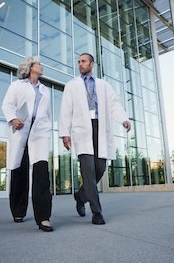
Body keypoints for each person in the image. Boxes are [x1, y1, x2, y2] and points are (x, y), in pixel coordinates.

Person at [59, 53, 131, 225]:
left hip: (100, 127)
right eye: (78, 62)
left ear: (92, 64)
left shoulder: (103, 85)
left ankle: (81, 195)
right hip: (82, 130)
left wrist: (123, 119)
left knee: (100, 168)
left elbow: (114, 104)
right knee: (88, 171)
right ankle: (97, 212)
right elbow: (65, 110)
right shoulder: (71, 85)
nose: (80, 64)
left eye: (83, 61)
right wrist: (65, 133)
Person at [2, 56, 53, 232]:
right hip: (22, 129)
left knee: (41, 174)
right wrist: (13, 119)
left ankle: (44, 217)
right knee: (20, 171)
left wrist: (48, 128)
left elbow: (46, 113)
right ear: (30, 67)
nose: (41, 66)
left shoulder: (45, 90)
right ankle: (18, 210)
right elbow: (7, 105)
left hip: (39, 133)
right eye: (39, 64)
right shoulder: (17, 85)